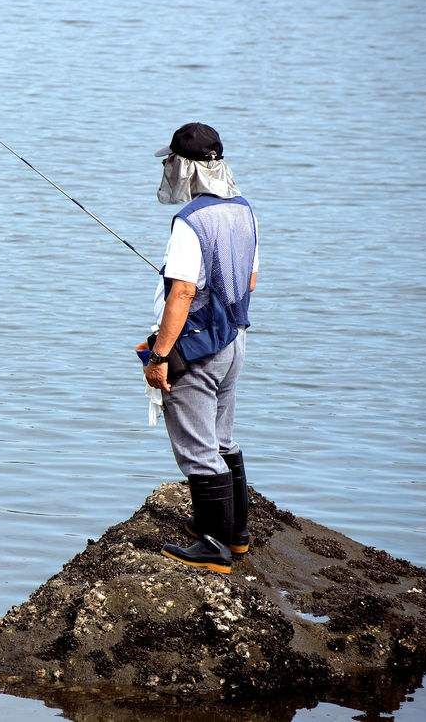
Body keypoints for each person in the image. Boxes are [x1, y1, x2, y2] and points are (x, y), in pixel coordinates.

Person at [141, 123, 258, 575]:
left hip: (198, 348)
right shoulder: (245, 210)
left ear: (183, 167)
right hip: (235, 341)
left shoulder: (190, 222)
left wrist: (158, 356)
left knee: (197, 447)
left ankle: (214, 546)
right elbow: (248, 280)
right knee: (222, 438)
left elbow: (183, 293)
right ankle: (237, 535)